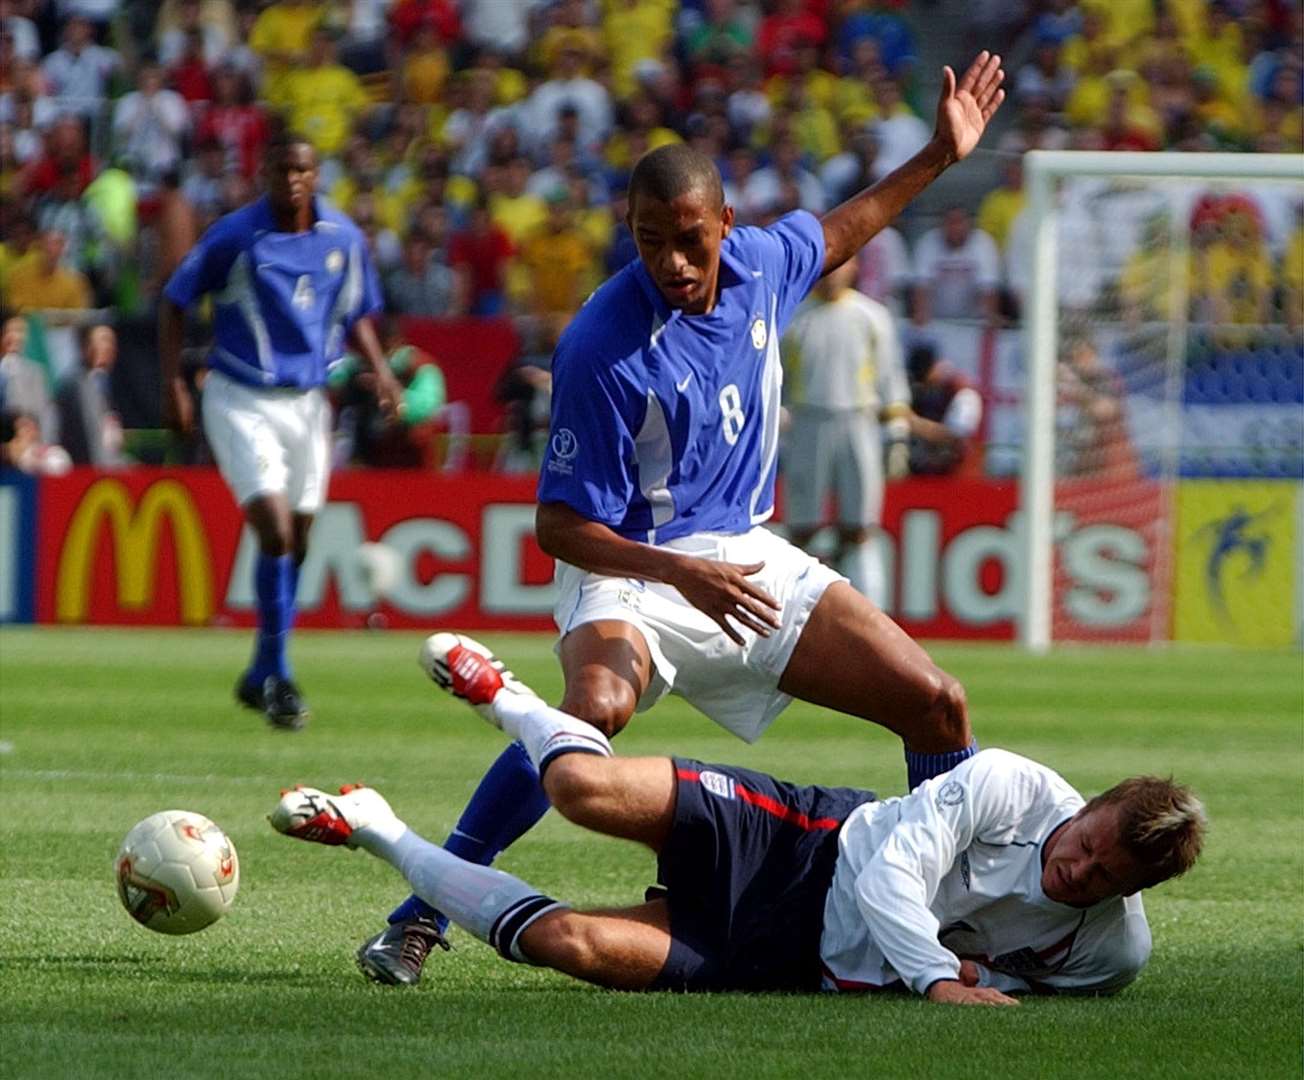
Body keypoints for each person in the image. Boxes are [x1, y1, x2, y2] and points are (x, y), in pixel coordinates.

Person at [359, 53, 1007, 986]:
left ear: (725, 227)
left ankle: (950, 925)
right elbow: (557, 525)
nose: (670, 262)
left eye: (689, 240)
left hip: (742, 553)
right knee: (592, 715)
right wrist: (677, 575)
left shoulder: (763, 265)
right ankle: (421, 914)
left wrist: (940, 155)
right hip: (632, 564)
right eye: (649, 239)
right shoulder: (601, 346)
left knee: (936, 702)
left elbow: (842, 228)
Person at [273, 633, 1205, 1002]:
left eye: (1105, 877)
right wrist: (935, 977)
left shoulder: (1112, 955)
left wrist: (967, 975)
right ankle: (508, 697)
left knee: (573, 948)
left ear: (1134, 891)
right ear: (1087, 808)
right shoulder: (1011, 784)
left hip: (786, 960)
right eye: (1087, 846)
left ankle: (374, 826)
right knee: (580, 792)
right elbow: (891, 879)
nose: (1080, 872)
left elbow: (1022, 995)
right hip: (804, 843)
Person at [158, 131, 402, 729]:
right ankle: (280, 677)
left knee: (302, 534)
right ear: (263, 172)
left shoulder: (342, 239)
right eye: (280, 168)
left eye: (301, 169)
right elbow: (173, 300)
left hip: (308, 402)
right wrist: (174, 383)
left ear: (316, 175)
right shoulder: (235, 237)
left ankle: (258, 669)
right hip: (239, 395)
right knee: (274, 529)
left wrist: (382, 371)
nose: (291, 179)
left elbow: (356, 315)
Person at [780, 258, 911, 607]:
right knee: (802, 527)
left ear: (853, 267)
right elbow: (776, 381)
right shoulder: (793, 317)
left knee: (861, 526)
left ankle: (874, 614)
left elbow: (889, 376)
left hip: (859, 420)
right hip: (807, 422)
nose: (832, 273)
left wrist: (895, 431)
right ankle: (794, 615)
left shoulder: (871, 316)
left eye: (839, 265)